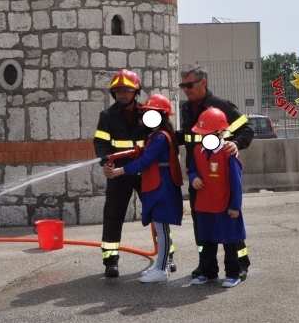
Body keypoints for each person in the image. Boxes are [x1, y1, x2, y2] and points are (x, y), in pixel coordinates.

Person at [95, 69, 176, 278]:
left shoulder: (146, 113)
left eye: (127, 91)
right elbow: (101, 144)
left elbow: (162, 134)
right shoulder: (107, 117)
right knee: (113, 215)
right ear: (113, 93)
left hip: (146, 172)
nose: (123, 95)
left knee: (158, 214)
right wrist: (105, 162)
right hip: (119, 173)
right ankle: (111, 260)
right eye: (118, 91)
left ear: (136, 92)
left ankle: (168, 256)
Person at [177, 64, 254, 280]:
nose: (186, 89)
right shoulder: (186, 108)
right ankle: (206, 265)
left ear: (203, 82)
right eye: (182, 85)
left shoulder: (221, 106)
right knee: (201, 223)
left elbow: (247, 130)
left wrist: (236, 144)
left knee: (229, 221)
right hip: (198, 177)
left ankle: (240, 264)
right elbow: (187, 137)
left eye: (189, 84)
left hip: (220, 177)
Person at [105, 94, 183, 283]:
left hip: (161, 187)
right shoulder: (156, 136)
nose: (145, 117)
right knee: (159, 226)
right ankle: (160, 266)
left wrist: (119, 171)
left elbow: (146, 162)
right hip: (158, 185)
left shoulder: (159, 138)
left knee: (161, 228)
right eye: (145, 114)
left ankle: (162, 269)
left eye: (151, 113)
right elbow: (146, 155)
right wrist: (135, 152)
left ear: (161, 116)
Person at [187, 107, 246, 288]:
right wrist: (194, 178)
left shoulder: (228, 153)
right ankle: (208, 272)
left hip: (225, 206)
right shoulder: (198, 151)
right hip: (204, 205)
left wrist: (235, 206)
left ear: (220, 132)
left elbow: (236, 182)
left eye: (208, 133)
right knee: (207, 242)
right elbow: (192, 169)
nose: (204, 137)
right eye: (202, 133)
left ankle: (233, 274)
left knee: (229, 242)